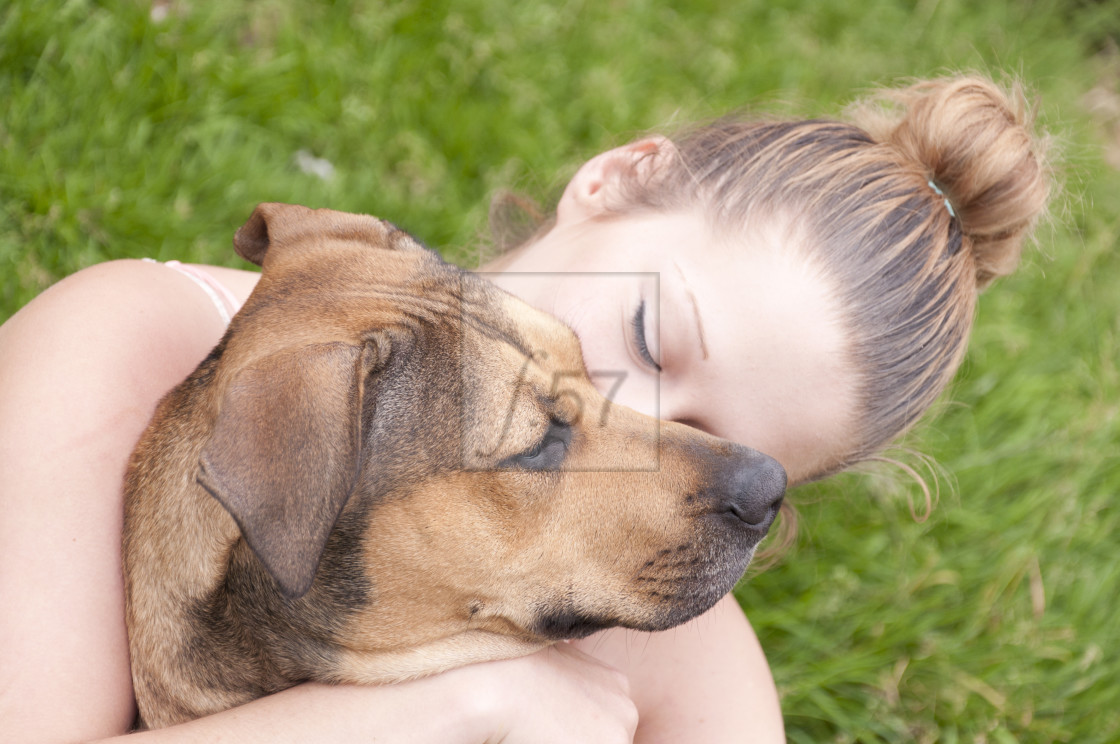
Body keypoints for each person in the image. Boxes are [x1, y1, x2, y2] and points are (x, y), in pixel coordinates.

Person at [0, 74, 1049, 743]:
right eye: (644, 334)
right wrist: (463, 708)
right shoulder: (127, 355)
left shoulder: (667, 634)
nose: (633, 438)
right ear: (615, 179)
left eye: (712, 443)